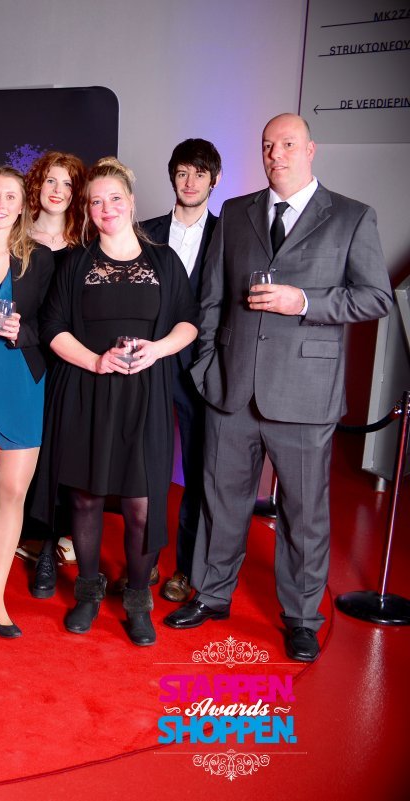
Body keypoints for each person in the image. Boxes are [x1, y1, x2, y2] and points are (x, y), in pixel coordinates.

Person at [165, 114, 393, 662]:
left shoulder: (351, 216)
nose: (276, 154)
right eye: (268, 145)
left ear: (311, 149)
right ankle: (211, 594)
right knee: (220, 500)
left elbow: (376, 297)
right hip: (231, 387)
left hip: (305, 392)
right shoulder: (235, 212)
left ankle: (302, 618)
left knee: (304, 514)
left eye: (288, 144)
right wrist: (207, 367)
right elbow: (212, 299)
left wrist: (305, 302)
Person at [34, 157, 199, 646]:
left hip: (145, 397)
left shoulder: (164, 261)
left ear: (131, 201)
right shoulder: (76, 264)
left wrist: (159, 349)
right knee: (85, 498)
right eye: (96, 201)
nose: (106, 208)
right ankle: (88, 592)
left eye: (114, 199)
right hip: (87, 391)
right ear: (87, 209)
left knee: (141, 503)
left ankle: (138, 601)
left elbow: (188, 321)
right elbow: (52, 328)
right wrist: (94, 361)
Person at [0, 166, 55, 637]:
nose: (0, 204)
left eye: (11, 197)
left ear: (23, 207)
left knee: (13, 490)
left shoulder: (39, 259)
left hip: (20, 379)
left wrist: (25, 331)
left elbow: (54, 323)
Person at [139, 139, 221, 603]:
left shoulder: (228, 233)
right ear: (172, 176)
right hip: (150, 361)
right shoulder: (145, 232)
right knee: (145, 465)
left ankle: (187, 568)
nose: (190, 182)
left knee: (196, 470)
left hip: (201, 368)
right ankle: (145, 560)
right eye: (183, 172)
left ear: (214, 180)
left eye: (200, 174)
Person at [21, 151, 87, 598]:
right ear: (37, 186)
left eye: (67, 183)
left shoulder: (85, 243)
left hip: (66, 363)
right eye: (50, 181)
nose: (58, 191)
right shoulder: (14, 237)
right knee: (27, 453)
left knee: (60, 455)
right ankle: (26, 533)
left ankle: (48, 546)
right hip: (22, 359)